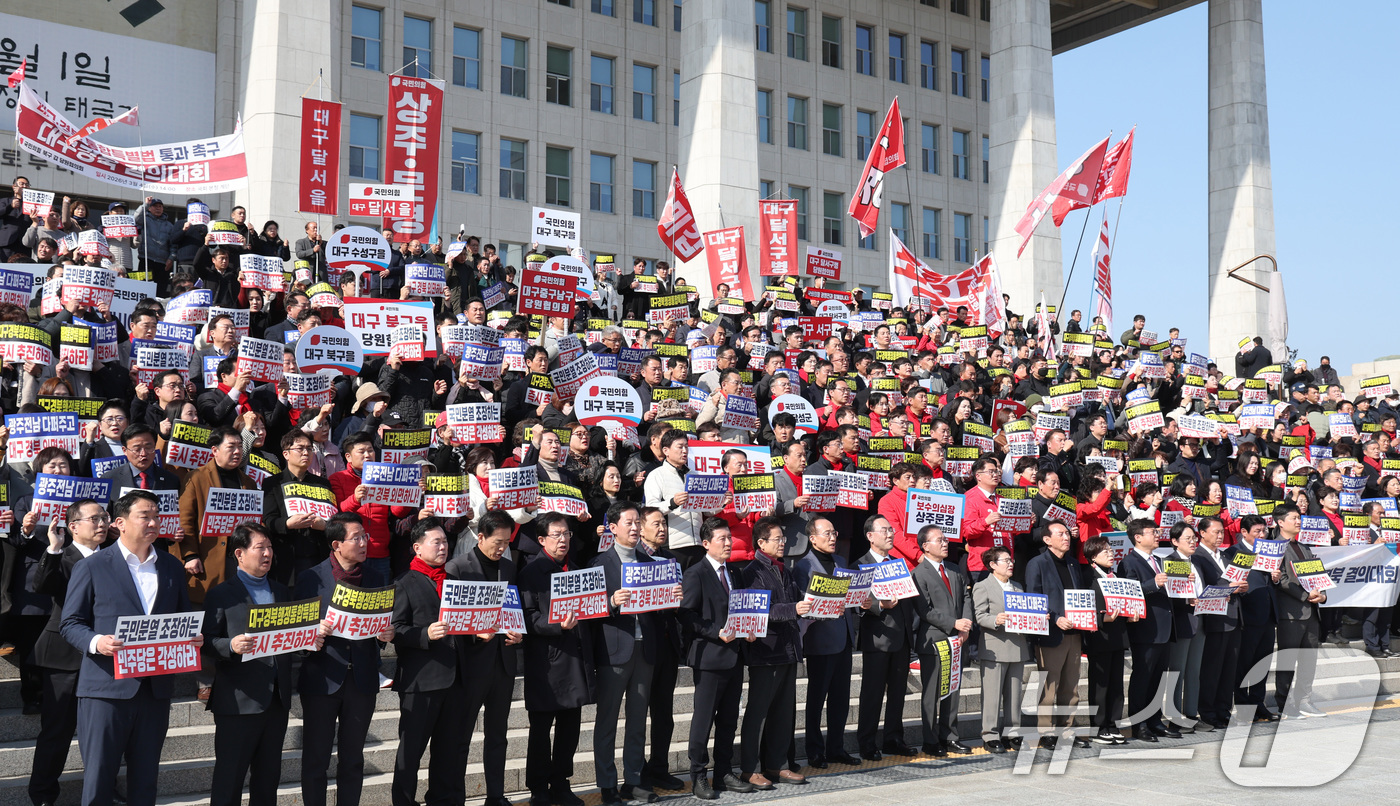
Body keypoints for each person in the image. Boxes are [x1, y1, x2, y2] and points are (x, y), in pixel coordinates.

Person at [60, 490, 201, 806]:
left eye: (156, 516)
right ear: (120, 523)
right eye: (145, 516)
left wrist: (193, 638)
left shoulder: (171, 567)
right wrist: (98, 642)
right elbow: (70, 624)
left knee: (145, 780)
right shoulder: (94, 566)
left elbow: (181, 619)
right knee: (98, 781)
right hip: (106, 689)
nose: (153, 522)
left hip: (155, 689)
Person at [202, 522, 309, 806]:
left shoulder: (281, 591)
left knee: (268, 777)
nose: (268, 554)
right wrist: (230, 646)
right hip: (239, 700)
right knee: (230, 778)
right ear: (239, 553)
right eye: (260, 548)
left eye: (270, 548)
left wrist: (308, 640)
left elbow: (291, 641)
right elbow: (205, 642)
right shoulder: (221, 593)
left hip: (276, 699)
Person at [295, 513, 395, 806]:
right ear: (336, 544)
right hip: (322, 679)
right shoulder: (311, 578)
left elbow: (379, 626)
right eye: (357, 538)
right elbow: (298, 633)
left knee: (352, 759)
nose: (365, 542)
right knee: (316, 758)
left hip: (361, 680)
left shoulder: (376, 577)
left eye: (365, 536)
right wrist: (314, 630)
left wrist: (384, 635)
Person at [589, 501, 671, 804]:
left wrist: (669, 595)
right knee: (607, 720)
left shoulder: (650, 563)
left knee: (638, 719)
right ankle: (607, 784)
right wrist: (610, 602)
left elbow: (659, 609)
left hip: (644, 647)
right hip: (614, 650)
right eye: (629, 523)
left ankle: (633, 780)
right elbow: (589, 610)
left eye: (638, 522)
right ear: (613, 528)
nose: (636, 528)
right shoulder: (599, 564)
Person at [28, 499, 106, 806]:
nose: (102, 524)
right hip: (63, 657)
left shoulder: (116, 557)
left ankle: (104, 789)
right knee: (57, 731)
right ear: (73, 526)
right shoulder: (62, 556)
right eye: (94, 519)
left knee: (103, 732)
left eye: (105, 518)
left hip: (104, 655)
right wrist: (54, 548)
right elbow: (42, 586)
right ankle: (43, 795)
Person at [443, 511, 523, 806]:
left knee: (498, 735)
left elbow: (512, 611)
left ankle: (496, 795)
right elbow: (449, 622)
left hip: (502, 663)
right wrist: (476, 634)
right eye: (497, 542)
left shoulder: (509, 567)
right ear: (481, 537)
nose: (502, 548)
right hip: (471, 665)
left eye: (507, 542)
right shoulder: (458, 568)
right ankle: (455, 797)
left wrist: (516, 633)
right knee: (461, 736)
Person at [518, 513, 594, 806]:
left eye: (567, 534)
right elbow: (527, 618)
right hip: (546, 662)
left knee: (570, 728)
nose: (563, 540)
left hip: (575, 658)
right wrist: (555, 626)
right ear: (541, 540)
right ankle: (538, 786)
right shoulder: (530, 572)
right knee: (540, 730)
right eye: (556, 535)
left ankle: (561, 782)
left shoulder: (577, 570)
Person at [390, 518, 468, 806]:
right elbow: (394, 629)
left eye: (445, 542)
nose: (443, 547)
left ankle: (444, 799)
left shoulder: (456, 580)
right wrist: (424, 634)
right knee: (410, 752)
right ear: (417, 548)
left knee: (449, 750)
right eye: (436, 542)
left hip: (455, 677)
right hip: (420, 681)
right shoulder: (403, 582)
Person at [677, 518, 755, 800]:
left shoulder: (734, 572)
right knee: (704, 719)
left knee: (729, 720)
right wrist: (716, 632)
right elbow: (686, 615)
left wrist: (749, 629)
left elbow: (742, 608)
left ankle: (723, 772)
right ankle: (698, 775)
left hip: (735, 656)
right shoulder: (695, 573)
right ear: (706, 543)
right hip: (709, 657)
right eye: (721, 539)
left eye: (729, 538)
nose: (727, 543)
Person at [737, 517, 810, 788]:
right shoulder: (752, 572)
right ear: (761, 543)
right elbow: (759, 611)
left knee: (783, 712)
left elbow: (797, 602)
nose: (783, 543)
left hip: (788, 649)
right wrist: (794, 609)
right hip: (765, 652)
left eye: (783, 538)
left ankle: (777, 765)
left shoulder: (784, 569)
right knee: (758, 712)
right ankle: (749, 768)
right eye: (778, 539)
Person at [791, 517, 862, 768]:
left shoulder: (841, 562)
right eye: (827, 533)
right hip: (820, 639)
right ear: (813, 538)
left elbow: (849, 597)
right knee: (817, 698)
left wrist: (859, 601)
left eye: (834, 532)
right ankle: (814, 750)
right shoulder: (803, 567)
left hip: (843, 637)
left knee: (841, 699)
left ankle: (836, 748)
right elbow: (802, 605)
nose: (833, 538)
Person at [1024, 519, 1090, 749]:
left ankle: (1067, 730)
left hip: (1075, 632)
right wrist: (1054, 617)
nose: (1066, 537)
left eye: (1067, 534)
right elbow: (1034, 599)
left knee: (1071, 687)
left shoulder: (1073, 564)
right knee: (1049, 687)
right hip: (1051, 633)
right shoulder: (1037, 563)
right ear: (1046, 539)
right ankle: (1047, 731)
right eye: (1060, 534)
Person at [855, 515, 916, 760]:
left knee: (898, 693)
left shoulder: (898, 564)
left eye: (891, 529)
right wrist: (878, 605)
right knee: (872, 693)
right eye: (885, 530)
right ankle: (867, 743)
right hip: (877, 638)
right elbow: (857, 602)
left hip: (901, 637)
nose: (890, 534)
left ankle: (893, 739)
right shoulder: (859, 564)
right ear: (870, 536)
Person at [910, 525, 972, 757]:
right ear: (925, 546)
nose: (945, 543)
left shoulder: (955, 569)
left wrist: (965, 623)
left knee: (953, 690)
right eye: (939, 540)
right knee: (932, 694)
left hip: (957, 640)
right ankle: (930, 740)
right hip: (934, 643)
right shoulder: (919, 573)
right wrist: (953, 624)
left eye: (946, 539)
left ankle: (950, 737)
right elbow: (924, 611)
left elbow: (966, 597)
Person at [1118, 517, 1177, 741]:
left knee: (1158, 678)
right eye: (1152, 532)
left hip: (1165, 627)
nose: (1157, 535)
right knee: (1142, 678)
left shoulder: (1159, 560)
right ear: (1138, 537)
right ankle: (1138, 723)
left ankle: (1154, 720)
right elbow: (1129, 592)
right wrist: (1154, 584)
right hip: (1146, 629)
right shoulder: (1129, 563)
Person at [1271, 503, 1328, 718]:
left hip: (1312, 612)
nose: (1298, 521)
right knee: (1288, 660)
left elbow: (1317, 576)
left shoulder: (1304, 547)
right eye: (1293, 518)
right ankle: (1284, 703)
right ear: (1280, 522)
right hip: (1291, 614)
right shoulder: (1275, 547)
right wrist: (1305, 596)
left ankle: (1304, 700)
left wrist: (1322, 595)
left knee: (1308, 660)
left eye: (1299, 517)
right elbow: (1282, 580)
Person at [972, 545, 1031, 753]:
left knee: (1014, 695)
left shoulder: (1017, 586)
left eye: (1011, 560)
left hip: (1016, 646)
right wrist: (995, 619)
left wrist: (1037, 617)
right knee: (992, 694)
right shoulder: (983, 586)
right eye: (1005, 560)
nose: (1010, 564)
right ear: (992, 565)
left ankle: (1012, 734)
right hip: (994, 647)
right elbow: (979, 616)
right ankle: (990, 735)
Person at [1192, 515, 1248, 730]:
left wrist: (1242, 587)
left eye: (1221, 532)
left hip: (1233, 617)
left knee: (1228, 670)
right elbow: (1202, 587)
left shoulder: (1225, 555)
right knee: (1211, 670)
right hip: (1213, 620)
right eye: (1215, 531)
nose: (1219, 535)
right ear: (1202, 533)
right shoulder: (1197, 557)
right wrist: (1227, 586)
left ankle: (1224, 711)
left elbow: (1237, 582)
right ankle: (1208, 712)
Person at [1225, 514, 1281, 723]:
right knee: (1243, 665)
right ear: (1244, 533)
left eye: (1264, 530)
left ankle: (1259, 704)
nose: (1262, 534)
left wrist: (1275, 578)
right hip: (1247, 616)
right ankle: (1242, 705)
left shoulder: (1269, 551)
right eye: (1257, 531)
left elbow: (1269, 581)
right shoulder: (1233, 552)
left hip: (1267, 615)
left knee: (1262, 664)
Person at [261, 430, 334, 584]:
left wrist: (325, 526)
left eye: (309, 448)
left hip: (319, 558)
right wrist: (288, 523)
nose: (306, 453)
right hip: (287, 561)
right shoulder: (272, 484)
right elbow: (269, 521)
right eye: (300, 448)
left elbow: (334, 521)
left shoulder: (323, 484)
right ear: (286, 454)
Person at [1082, 535, 1131, 745]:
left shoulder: (1116, 576)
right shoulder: (1087, 577)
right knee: (1100, 684)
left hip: (1118, 636)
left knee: (1116, 684)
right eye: (1105, 552)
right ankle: (1099, 726)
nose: (1111, 555)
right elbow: (1083, 604)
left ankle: (1113, 724)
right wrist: (1103, 618)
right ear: (1093, 557)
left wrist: (1132, 612)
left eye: (1111, 551)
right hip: (1099, 637)